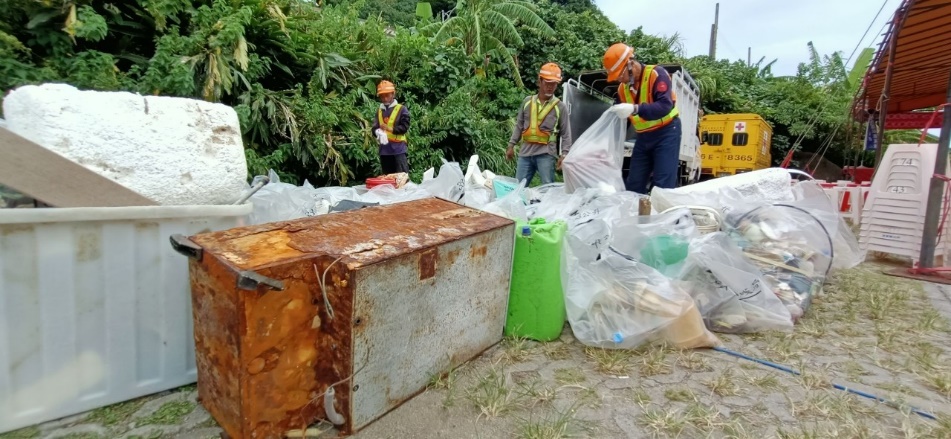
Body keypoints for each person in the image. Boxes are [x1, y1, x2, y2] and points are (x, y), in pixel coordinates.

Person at [602, 43, 682, 194]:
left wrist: (635, 108)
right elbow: (621, 120)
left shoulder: (656, 74)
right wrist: (605, 144)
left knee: (662, 185)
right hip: (643, 138)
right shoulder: (622, 89)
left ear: (630, 64)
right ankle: (634, 216)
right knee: (634, 184)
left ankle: (663, 216)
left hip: (666, 133)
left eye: (620, 74)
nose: (620, 80)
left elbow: (665, 106)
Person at [506, 62, 572, 186]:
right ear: (540, 81)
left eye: (554, 84)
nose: (550, 87)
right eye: (547, 83)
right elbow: (519, 126)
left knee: (547, 188)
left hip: (546, 154)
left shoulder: (560, 107)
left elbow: (566, 133)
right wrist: (511, 145)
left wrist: (564, 154)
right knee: (518, 188)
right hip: (525, 153)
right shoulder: (527, 102)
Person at [371, 80, 411, 174]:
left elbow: (404, 127)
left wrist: (390, 129)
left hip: (398, 150)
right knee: (388, 180)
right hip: (384, 151)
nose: (384, 98)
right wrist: (378, 132)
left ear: (393, 94)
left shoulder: (401, 109)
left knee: (401, 178)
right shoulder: (379, 111)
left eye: (387, 95)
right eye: (382, 96)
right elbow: (374, 128)